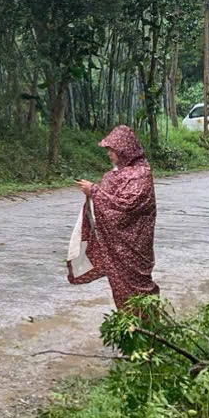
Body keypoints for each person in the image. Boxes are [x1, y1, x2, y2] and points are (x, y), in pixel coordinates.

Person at [68, 124, 160, 310]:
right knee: (120, 286)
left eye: (112, 149)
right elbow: (108, 202)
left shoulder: (141, 175)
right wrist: (93, 192)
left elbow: (127, 205)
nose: (109, 154)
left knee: (139, 287)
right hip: (117, 247)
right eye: (108, 149)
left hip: (134, 246)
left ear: (124, 150)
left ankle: (149, 330)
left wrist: (94, 191)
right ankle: (130, 329)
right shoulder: (115, 174)